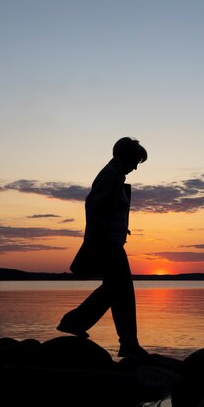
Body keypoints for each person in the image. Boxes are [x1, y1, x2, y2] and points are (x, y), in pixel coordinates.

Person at [57, 137, 148, 358]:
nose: (136, 166)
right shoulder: (111, 175)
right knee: (122, 291)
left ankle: (76, 323)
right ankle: (127, 343)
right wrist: (102, 235)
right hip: (108, 244)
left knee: (115, 290)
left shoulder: (115, 175)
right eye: (135, 160)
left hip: (111, 242)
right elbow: (93, 205)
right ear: (125, 156)